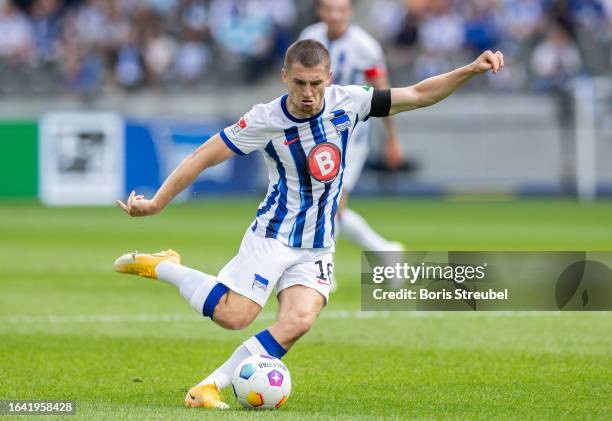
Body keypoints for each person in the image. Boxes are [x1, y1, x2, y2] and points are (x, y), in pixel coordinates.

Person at [114, 40, 504, 409]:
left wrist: (470, 69)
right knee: (235, 316)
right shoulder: (265, 118)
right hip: (275, 235)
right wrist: (157, 203)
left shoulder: (349, 102)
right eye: (299, 82)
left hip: (318, 242)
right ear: (285, 76)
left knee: (298, 321)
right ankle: (166, 266)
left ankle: (208, 387)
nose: (307, 92)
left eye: (316, 83)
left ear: (328, 79)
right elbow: (203, 155)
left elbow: (419, 94)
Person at [299, 0, 405, 260]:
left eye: (340, 9)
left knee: (333, 204)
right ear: (320, 11)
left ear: (349, 12)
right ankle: (385, 251)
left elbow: (383, 94)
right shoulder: (309, 38)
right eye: (329, 8)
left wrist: (392, 138)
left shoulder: (365, 46)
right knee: (322, 204)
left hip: (351, 135)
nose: (335, 15)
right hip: (317, 132)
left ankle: (323, 266)